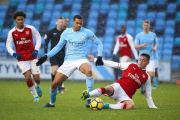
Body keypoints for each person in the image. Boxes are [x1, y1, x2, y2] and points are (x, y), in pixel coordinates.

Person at [36, 15, 104, 107]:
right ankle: (52, 103)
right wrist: (46, 56)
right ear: (73, 22)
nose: (79, 25)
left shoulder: (87, 32)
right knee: (54, 84)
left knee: (89, 70)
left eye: (81, 23)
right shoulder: (66, 33)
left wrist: (99, 57)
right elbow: (58, 47)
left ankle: (89, 99)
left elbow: (99, 43)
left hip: (81, 59)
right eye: (77, 23)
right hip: (69, 61)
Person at [81, 53, 157, 110]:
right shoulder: (131, 65)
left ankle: (107, 106)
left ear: (148, 63)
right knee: (108, 89)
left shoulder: (146, 77)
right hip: (119, 86)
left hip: (126, 96)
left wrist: (152, 107)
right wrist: (96, 60)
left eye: (143, 61)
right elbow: (116, 64)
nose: (140, 62)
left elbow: (147, 94)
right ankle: (89, 94)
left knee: (131, 106)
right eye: (140, 59)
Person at [6, 11, 42, 102]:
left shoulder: (30, 28)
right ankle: (35, 96)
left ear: (24, 20)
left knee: (37, 78)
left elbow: (38, 38)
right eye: (19, 20)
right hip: (22, 58)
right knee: (28, 77)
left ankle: (37, 86)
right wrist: (13, 53)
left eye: (22, 19)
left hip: (32, 56)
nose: (21, 21)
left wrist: (36, 49)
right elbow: (8, 45)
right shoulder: (12, 32)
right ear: (15, 21)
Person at [134, 20, 157, 94]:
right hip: (142, 58)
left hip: (151, 57)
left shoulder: (153, 35)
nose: (146, 27)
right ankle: (143, 87)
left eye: (147, 25)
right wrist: (142, 45)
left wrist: (155, 48)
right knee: (142, 74)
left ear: (149, 26)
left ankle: (143, 85)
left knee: (152, 75)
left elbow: (155, 43)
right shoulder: (139, 35)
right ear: (142, 26)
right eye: (144, 25)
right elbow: (135, 46)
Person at [44, 16, 66, 93]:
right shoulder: (51, 32)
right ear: (56, 22)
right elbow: (46, 43)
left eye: (62, 22)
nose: (60, 23)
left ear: (64, 23)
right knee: (54, 70)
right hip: (53, 54)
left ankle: (60, 87)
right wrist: (45, 53)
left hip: (62, 54)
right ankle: (54, 85)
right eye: (59, 22)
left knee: (61, 72)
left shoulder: (65, 32)